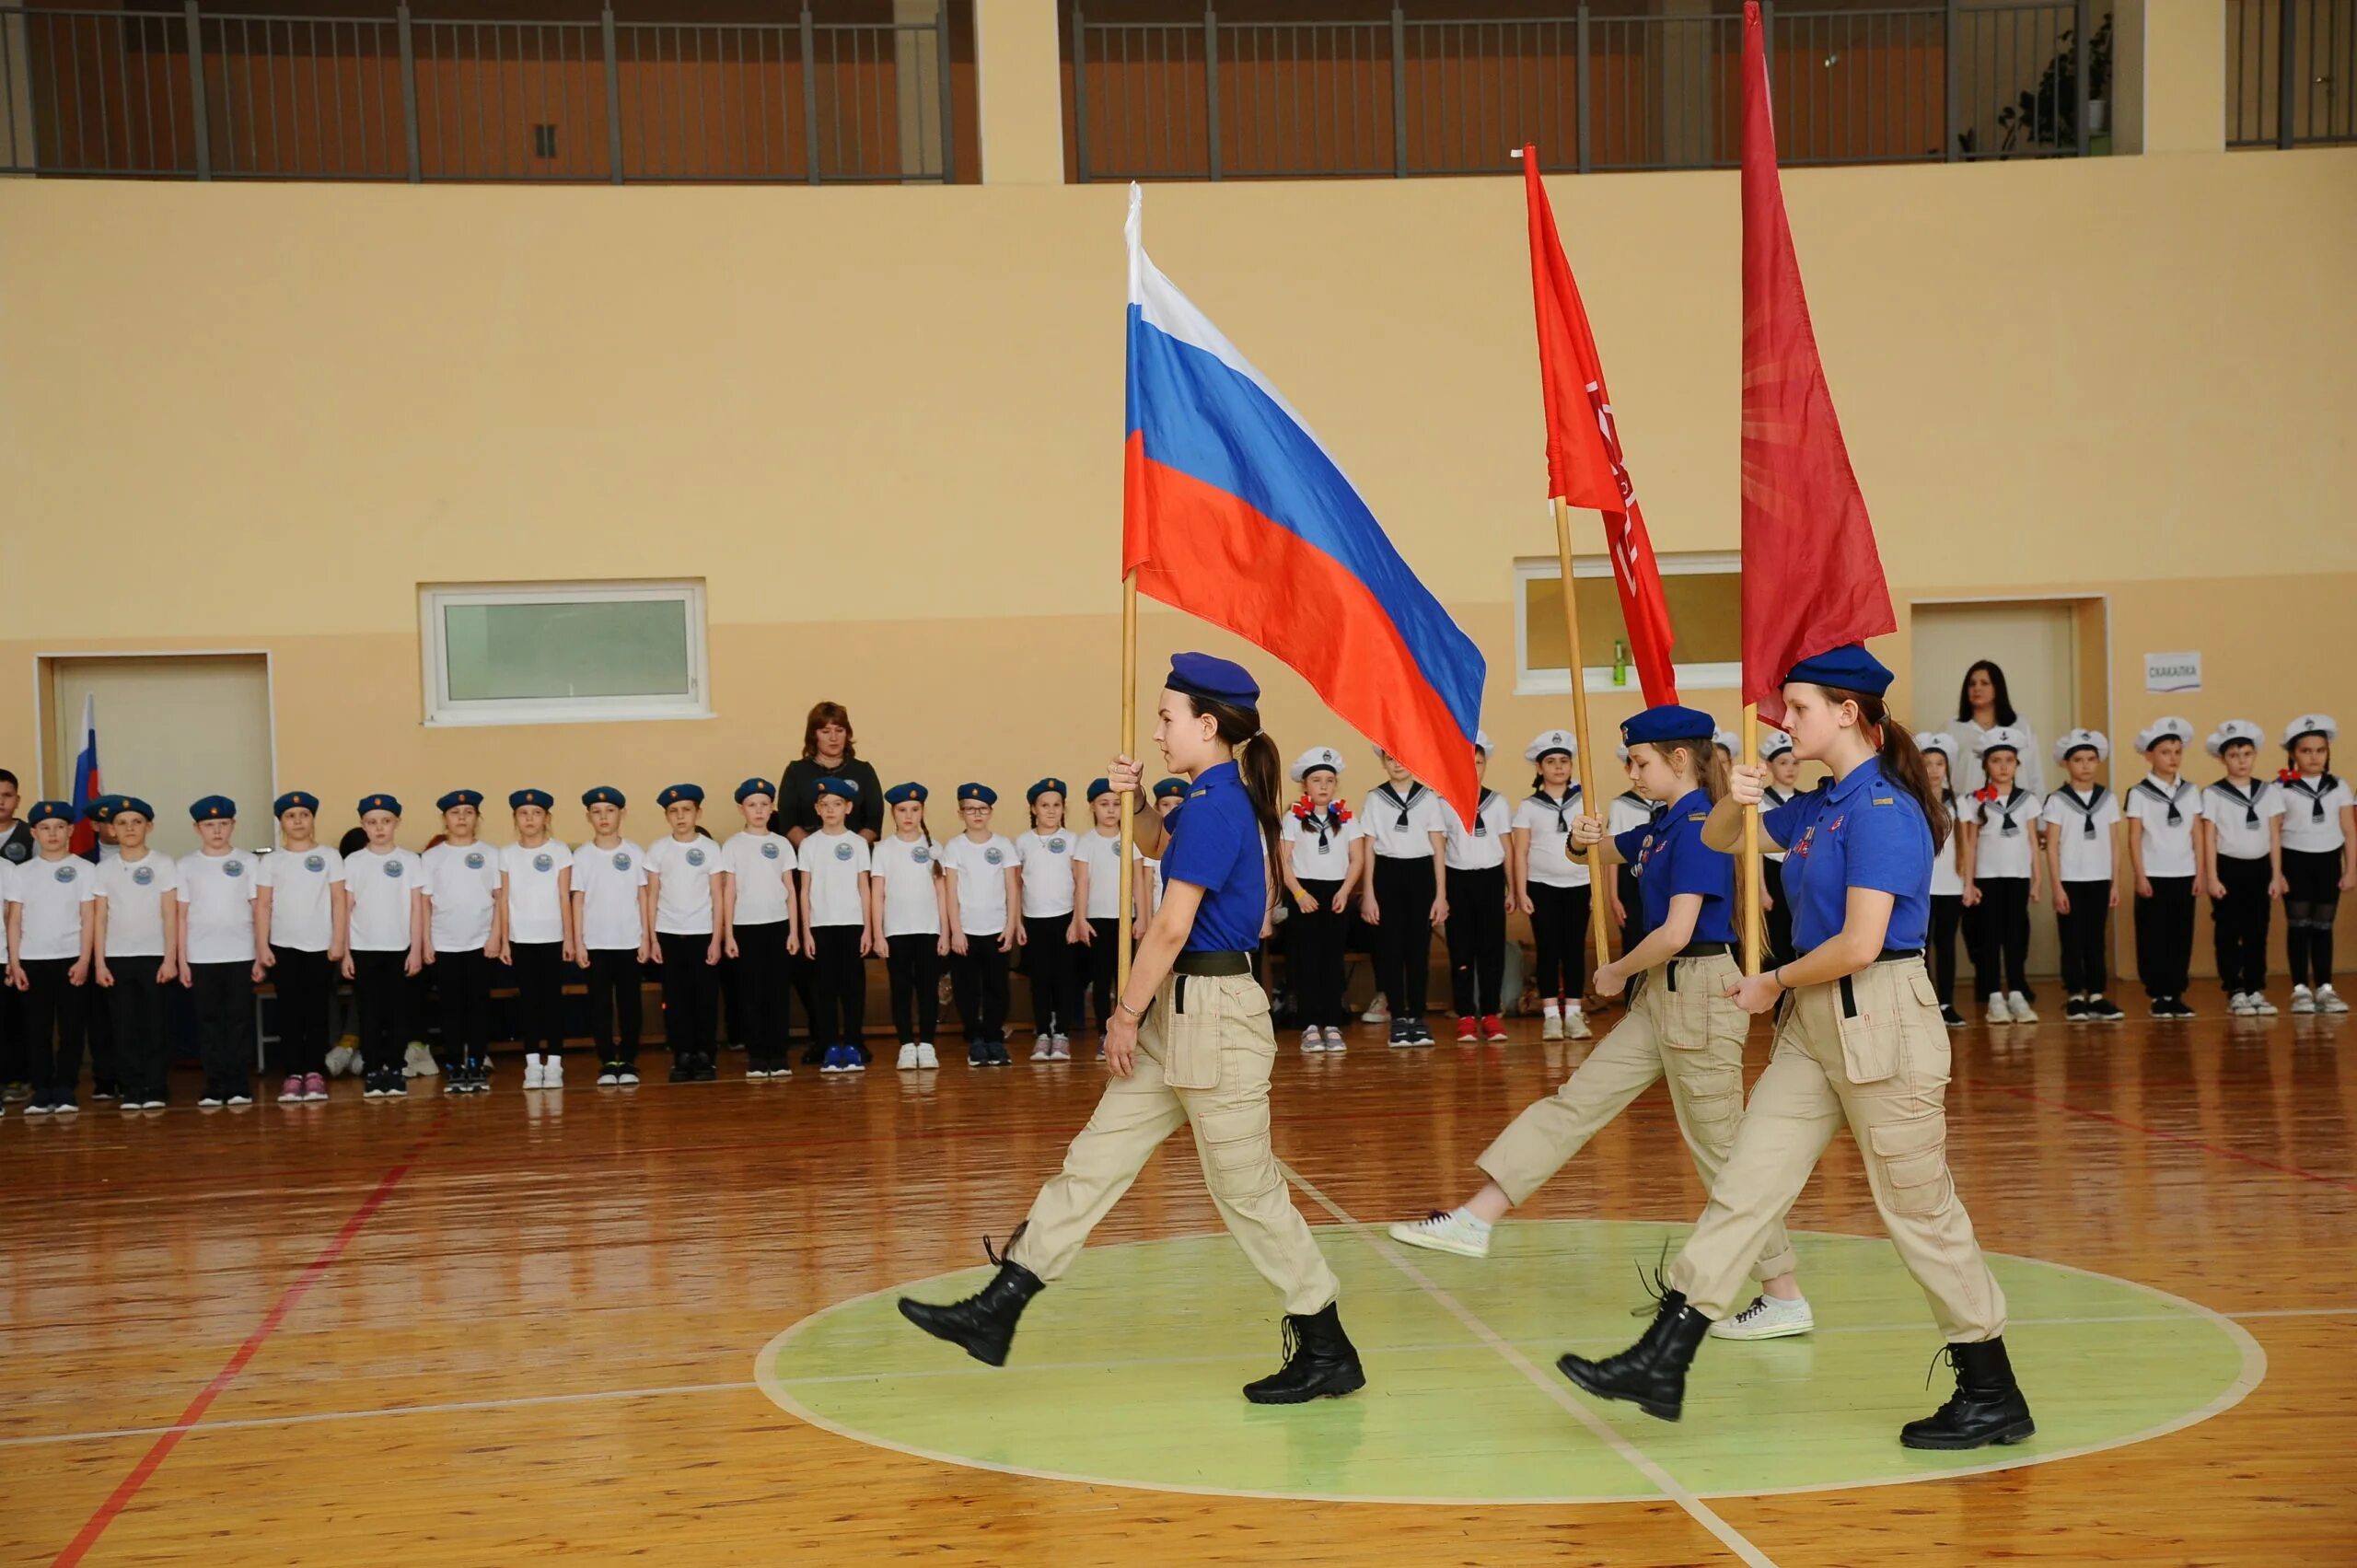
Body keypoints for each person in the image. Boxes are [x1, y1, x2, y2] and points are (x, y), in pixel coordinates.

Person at [1558, 645, 2033, 1452]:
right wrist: (1731, 794)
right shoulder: (1815, 806)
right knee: (1746, 1183)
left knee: (1919, 1213)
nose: (1784, 720)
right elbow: (1722, 837)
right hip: (1814, 1026)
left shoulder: (1882, 809)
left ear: (1849, 713)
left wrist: (1771, 980)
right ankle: (1664, 1358)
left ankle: (1992, 1389)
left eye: (1799, 708)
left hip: (1877, 1018)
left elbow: (1860, 941)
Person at [898, 653, 1367, 1405]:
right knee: (1094, 1159)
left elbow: (1174, 924)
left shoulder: (1220, 805)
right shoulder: (1208, 797)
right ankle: (1000, 1308)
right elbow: (1155, 841)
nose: (1156, 730)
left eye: (1166, 717)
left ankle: (1327, 1346)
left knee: (1248, 1195)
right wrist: (1140, 797)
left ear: (1207, 726)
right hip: (1180, 1013)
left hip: (1212, 1015)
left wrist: (1121, 1012)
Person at [1391, 704, 1813, 1338]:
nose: (1631, 772)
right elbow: (1596, 848)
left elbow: (1674, 932)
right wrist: (1576, 837)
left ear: (1678, 760)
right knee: (1576, 1100)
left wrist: (1615, 970)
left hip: (1697, 991)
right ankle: (1479, 1216)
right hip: (1661, 996)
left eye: (1640, 762)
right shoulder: (1662, 823)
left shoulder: (1700, 822)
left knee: (1724, 1155)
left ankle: (1783, 1293)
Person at [782, 703, 885, 1064]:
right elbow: (788, 818)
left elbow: (874, 817)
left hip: (851, 877)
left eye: (839, 729)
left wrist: (848, 846)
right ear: (813, 735)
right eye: (825, 730)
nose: (833, 737)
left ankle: (854, 1041)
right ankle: (821, 1039)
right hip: (812, 872)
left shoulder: (863, 770)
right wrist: (815, 849)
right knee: (817, 978)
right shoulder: (797, 771)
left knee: (851, 978)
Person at [6, 799, 97, 1116]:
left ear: (71, 830)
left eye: (60, 827)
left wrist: (85, 960)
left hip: (71, 958)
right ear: (34, 833)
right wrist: (15, 963)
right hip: (32, 960)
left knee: (72, 1028)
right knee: (37, 1029)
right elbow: (14, 920)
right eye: (45, 828)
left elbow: (89, 918)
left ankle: (65, 1087)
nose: (53, 833)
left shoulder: (86, 870)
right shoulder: (22, 872)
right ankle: (42, 1089)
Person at [176, 796, 263, 1109]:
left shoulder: (249, 862)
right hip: (201, 956)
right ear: (197, 828)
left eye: (223, 824)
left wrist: (259, 953)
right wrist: (181, 960)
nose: (217, 831)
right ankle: (214, 1084)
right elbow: (181, 916)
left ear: (233, 825)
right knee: (209, 1021)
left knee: (239, 1020)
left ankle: (239, 1083)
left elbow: (257, 909)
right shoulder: (186, 865)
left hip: (240, 953)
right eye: (209, 825)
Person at [255, 790, 343, 1102]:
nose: (298, 821)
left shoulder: (330, 856)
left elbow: (338, 900)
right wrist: (262, 947)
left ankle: (315, 1072)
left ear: (312, 819)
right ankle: (293, 1074)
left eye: (304, 815)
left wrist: (339, 942)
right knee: (289, 1011)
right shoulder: (271, 861)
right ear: (282, 822)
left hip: (320, 947)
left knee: (317, 1010)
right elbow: (263, 905)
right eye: (291, 816)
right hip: (283, 946)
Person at [93, 796, 178, 1112]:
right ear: (112, 829)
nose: (130, 828)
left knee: (155, 1024)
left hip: (154, 956)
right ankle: (131, 1087)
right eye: (122, 823)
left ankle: (155, 1086)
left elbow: (170, 915)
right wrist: (100, 962)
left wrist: (170, 958)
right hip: (116, 958)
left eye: (137, 822)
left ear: (149, 827)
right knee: (124, 1025)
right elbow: (100, 917)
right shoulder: (103, 869)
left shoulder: (164, 864)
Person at [1359, 748, 1448, 1049]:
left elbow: (1438, 848)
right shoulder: (1375, 798)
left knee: (1418, 950)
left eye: (1402, 757)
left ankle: (1418, 1019)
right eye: (1390, 758)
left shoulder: (1429, 797)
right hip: (1387, 874)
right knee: (1391, 950)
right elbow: (1369, 848)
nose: (1397, 763)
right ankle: (1397, 1017)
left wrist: (1441, 895)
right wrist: (1369, 893)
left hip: (1421, 874)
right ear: (1383, 762)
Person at [421, 789, 504, 1094]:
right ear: (445, 819)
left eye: (468, 812)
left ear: (477, 818)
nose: (462, 818)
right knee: (451, 1007)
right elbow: (425, 904)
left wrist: (496, 936)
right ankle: (454, 1065)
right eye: (455, 813)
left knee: (478, 1006)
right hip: (444, 943)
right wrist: (426, 942)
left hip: (481, 942)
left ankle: (476, 1064)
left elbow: (499, 899)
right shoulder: (431, 857)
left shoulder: (493, 854)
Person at [1512, 729, 1593, 1043]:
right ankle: (1550, 1016)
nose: (1558, 767)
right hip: (1542, 886)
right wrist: (1521, 891)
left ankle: (1573, 1013)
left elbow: (1597, 847)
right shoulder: (1529, 806)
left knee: (1574, 949)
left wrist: (1596, 892)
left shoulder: (1585, 801)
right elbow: (1520, 851)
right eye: (1551, 761)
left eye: (1564, 761)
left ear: (1571, 766)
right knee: (1548, 950)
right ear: (1539, 768)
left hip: (1578, 884)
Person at [2200, 720, 2284, 1017]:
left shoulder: (2268, 792)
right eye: (2234, 755)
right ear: (2223, 758)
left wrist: (2276, 874)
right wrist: (2211, 876)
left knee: (2257, 929)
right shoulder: (2213, 794)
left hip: (2260, 867)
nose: (2242, 761)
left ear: (2254, 755)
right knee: (2228, 929)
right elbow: (2209, 837)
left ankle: (2255, 987)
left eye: (2247, 754)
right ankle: (2234, 988)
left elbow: (2274, 835)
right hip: (2228, 868)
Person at [1956, 727, 2041, 1025]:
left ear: (2017, 764)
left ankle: (2017, 992)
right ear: (1985, 765)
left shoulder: (2028, 800)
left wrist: (2037, 878)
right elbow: (1969, 843)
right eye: (1996, 760)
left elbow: (2032, 841)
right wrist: (1969, 883)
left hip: (2018, 876)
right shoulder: (1973, 800)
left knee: (2016, 935)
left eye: (2009, 760)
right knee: (1990, 936)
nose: (2003, 766)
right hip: (1987, 878)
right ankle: (1994, 995)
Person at [344, 794, 424, 1098]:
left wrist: (416, 949)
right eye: (372, 822)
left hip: (400, 948)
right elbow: (346, 909)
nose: (379, 828)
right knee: (370, 1012)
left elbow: (417, 908)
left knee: (398, 1013)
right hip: (365, 949)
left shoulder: (410, 861)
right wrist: (346, 953)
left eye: (386, 821)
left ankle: (395, 1067)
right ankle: (373, 1068)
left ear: (397, 824)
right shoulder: (354, 862)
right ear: (363, 825)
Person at [2041, 730, 2125, 1021]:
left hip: (2099, 878)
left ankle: (2098, 994)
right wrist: (2057, 887)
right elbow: (2051, 847)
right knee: (2072, 938)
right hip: (2071, 879)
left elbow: (2115, 843)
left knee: (2096, 938)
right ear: (2067, 764)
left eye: (2091, 759)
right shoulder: (2058, 801)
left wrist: (2115, 882)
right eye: (2078, 759)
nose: (2086, 765)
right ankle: (2075, 994)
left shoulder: (2108, 799)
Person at [1279, 748, 1357, 1053]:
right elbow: (1282, 860)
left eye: (1329, 780)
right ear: (1305, 785)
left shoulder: (1347, 817)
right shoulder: (1293, 817)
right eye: (1316, 780)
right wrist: (1298, 893)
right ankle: (1310, 1025)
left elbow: (1357, 858)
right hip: (1305, 894)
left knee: (1332, 960)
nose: (1323, 786)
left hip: (1336, 893)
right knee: (1305, 961)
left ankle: (1333, 1023)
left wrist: (1346, 890)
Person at [571, 786, 652, 1085]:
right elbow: (577, 900)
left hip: (629, 940)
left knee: (631, 1003)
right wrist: (579, 942)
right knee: (600, 1005)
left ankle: (628, 1058)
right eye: (597, 812)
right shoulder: (581, 856)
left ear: (622, 814)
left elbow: (643, 897)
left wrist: (646, 938)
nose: (604, 817)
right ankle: (607, 1059)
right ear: (589, 817)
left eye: (610, 811)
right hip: (595, 943)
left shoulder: (635, 852)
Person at [645, 784, 725, 1084]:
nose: (680, 817)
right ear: (667, 816)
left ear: (698, 813)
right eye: (674, 812)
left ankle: (705, 1054)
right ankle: (682, 1054)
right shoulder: (658, 849)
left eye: (686, 810)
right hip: (668, 933)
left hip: (703, 933)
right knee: (676, 998)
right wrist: (652, 938)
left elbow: (717, 896)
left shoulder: (710, 848)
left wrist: (716, 939)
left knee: (705, 997)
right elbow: (652, 895)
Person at [719, 777, 797, 1080]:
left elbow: (789, 889)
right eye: (752, 805)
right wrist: (728, 935)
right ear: (742, 809)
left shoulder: (781, 844)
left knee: (777, 993)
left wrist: (793, 931)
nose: (759, 810)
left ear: (771, 808)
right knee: (751, 994)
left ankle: (778, 1054)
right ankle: (757, 1055)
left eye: (765, 805)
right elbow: (729, 892)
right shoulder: (733, 845)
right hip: (745, 928)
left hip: (777, 926)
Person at [2124, 719, 2200, 1020]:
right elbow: (2134, 836)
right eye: (2166, 752)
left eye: (2178, 751)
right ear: (2149, 756)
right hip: (2154, 874)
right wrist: (2140, 875)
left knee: (2181, 935)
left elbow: (2197, 834)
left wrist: (2201, 873)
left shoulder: (2191, 791)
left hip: (2184, 872)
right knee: (2153, 936)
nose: (2173, 758)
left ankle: (2176, 993)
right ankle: (2158, 994)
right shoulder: (2140, 793)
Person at [2277, 714, 2352, 1015]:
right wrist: (2277, 872)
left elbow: (2349, 830)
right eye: (2306, 751)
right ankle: (2300, 989)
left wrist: (2351, 869)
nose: (2314, 756)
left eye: (2320, 750)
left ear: (2327, 752)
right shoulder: (2281, 787)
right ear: (2294, 754)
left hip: (2328, 862)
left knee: (2323, 926)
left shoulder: (2339, 786)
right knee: (2299, 926)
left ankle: (2325, 987)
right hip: (2295, 861)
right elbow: (2274, 832)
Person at [798, 777, 874, 1074]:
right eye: (825, 805)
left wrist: (868, 928)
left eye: (837, 804)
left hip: (853, 924)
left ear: (848, 807)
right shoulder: (809, 844)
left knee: (854, 987)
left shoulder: (857, 844)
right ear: (817, 809)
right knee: (825, 989)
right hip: (821, 925)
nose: (831, 810)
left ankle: (853, 1043)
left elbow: (864, 888)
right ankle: (830, 1045)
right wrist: (806, 930)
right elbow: (805, 889)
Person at [940, 783, 1018, 1068]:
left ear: (990, 812)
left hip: (996, 928)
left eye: (982, 809)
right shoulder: (954, 847)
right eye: (970, 809)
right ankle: (974, 1038)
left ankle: (994, 1037)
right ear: (961, 813)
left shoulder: (1003, 845)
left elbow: (1012, 888)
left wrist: (1011, 925)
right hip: (967, 932)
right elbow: (950, 892)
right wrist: (955, 930)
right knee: (967, 987)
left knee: (997, 986)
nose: (976, 814)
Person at [498, 789, 573, 1088]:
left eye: (536, 813)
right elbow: (503, 899)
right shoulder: (506, 854)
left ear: (547, 818)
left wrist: (569, 939)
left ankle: (554, 1063)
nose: (530, 819)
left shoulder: (560, 850)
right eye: (523, 814)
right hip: (521, 938)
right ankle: (532, 1064)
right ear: (516, 818)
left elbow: (565, 898)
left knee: (552, 1000)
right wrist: (504, 940)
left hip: (553, 937)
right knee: (528, 1001)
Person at [1442, 733, 1513, 1044]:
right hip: (1458, 879)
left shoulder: (1497, 802)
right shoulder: (1443, 802)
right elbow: (1440, 847)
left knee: (1491, 949)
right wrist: (1441, 894)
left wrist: (1513, 889)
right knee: (1461, 949)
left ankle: (1491, 1013)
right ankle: (1466, 1014)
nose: (1473, 769)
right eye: (1466, 763)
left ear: (1486, 766)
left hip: (1490, 879)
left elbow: (1507, 847)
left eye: (1479, 763)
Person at [872, 781, 946, 1072]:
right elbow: (878, 894)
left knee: (928, 988)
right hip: (896, 932)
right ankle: (906, 1044)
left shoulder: (934, 848)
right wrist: (878, 933)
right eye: (902, 810)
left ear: (922, 811)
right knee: (901, 989)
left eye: (914, 809)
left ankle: (927, 1044)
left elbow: (941, 893)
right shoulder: (883, 849)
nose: (908, 815)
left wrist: (945, 932)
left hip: (928, 930)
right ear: (893, 813)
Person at [1015, 779, 1085, 1061]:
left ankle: (1062, 1036)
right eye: (1045, 805)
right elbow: (1017, 885)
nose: (1051, 811)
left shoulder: (1073, 841)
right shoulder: (1022, 842)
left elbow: (1081, 882)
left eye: (1057, 805)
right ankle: (1043, 1033)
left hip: (1065, 919)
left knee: (1064, 979)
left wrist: (1077, 920)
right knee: (1040, 980)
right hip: (1034, 920)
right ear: (1033, 808)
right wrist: (1018, 921)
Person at [1071, 778, 1134, 1052]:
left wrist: (1142, 917)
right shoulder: (1086, 842)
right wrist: (1080, 918)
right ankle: (1103, 1033)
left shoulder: (1131, 838)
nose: (1110, 810)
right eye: (1104, 804)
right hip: (1097, 919)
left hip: (1126, 920)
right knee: (1100, 979)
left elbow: (1140, 883)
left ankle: (1128, 1032)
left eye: (1116, 804)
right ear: (1092, 807)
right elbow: (1081, 882)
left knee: (1127, 981)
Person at [1914, 734, 1968, 1028]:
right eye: (1927, 763)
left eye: (1939, 763)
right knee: (1920, 947)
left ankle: (1946, 1002)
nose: (1934, 770)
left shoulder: (1959, 802)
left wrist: (1969, 882)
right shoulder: (1912, 798)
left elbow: (1967, 844)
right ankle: (1924, 1004)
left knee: (1946, 944)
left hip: (1950, 885)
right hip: (1920, 887)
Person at [1954, 659, 2045, 797]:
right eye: (1972, 684)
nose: (1977, 688)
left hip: (2017, 810)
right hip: (1968, 812)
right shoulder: (1953, 727)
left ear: (1997, 688)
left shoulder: (2020, 725)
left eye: (1984, 683)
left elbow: (2035, 776)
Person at [1606, 747, 1659, 965]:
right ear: (1627, 769)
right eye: (1633, 765)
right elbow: (1612, 855)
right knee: (1633, 941)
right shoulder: (1620, 804)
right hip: (1631, 878)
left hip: (1661, 876)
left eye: (1643, 765)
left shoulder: (1667, 802)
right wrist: (1613, 897)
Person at [1759, 729, 1800, 967]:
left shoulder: (1805, 799)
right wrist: (1761, 890)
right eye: (1783, 763)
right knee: (1776, 937)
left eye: (1795, 763)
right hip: (1770, 874)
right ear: (1769, 765)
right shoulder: (1759, 799)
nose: (1790, 769)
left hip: (1797, 871)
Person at [0, 769, 29, 1105]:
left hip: (21, 944)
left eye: (6, 795)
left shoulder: (31, 835)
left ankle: (17, 1078)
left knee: (14, 1018)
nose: (1, 801)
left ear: (17, 799)